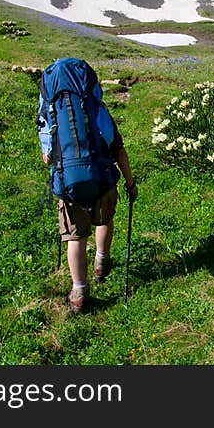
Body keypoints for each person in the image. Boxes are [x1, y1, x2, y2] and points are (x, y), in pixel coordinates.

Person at [37, 75, 138, 314]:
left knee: (75, 237)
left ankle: (79, 292)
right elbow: (118, 149)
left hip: (68, 185)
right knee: (105, 219)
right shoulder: (98, 111)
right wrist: (131, 183)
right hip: (102, 180)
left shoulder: (52, 113)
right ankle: (101, 261)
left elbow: (47, 156)